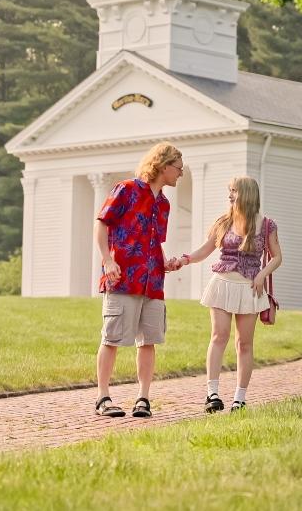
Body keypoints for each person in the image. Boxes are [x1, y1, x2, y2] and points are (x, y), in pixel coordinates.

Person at [93, 142, 184, 418]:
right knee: (111, 338)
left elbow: (153, 241)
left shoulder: (164, 204)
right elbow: (101, 222)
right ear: (163, 166)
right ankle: (102, 398)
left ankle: (143, 399)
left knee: (148, 341)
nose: (181, 173)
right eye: (178, 168)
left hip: (153, 283)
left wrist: (164, 262)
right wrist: (107, 260)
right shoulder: (126, 190)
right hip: (122, 279)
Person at [176, 176, 282, 413]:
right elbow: (206, 250)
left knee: (244, 344)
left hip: (250, 288)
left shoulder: (267, 225)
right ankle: (212, 394)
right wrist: (185, 260)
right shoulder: (224, 222)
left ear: (247, 193)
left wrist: (262, 274)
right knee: (218, 336)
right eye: (230, 190)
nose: (230, 195)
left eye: (234, 190)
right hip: (222, 284)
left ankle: (239, 399)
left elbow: (277, 257)